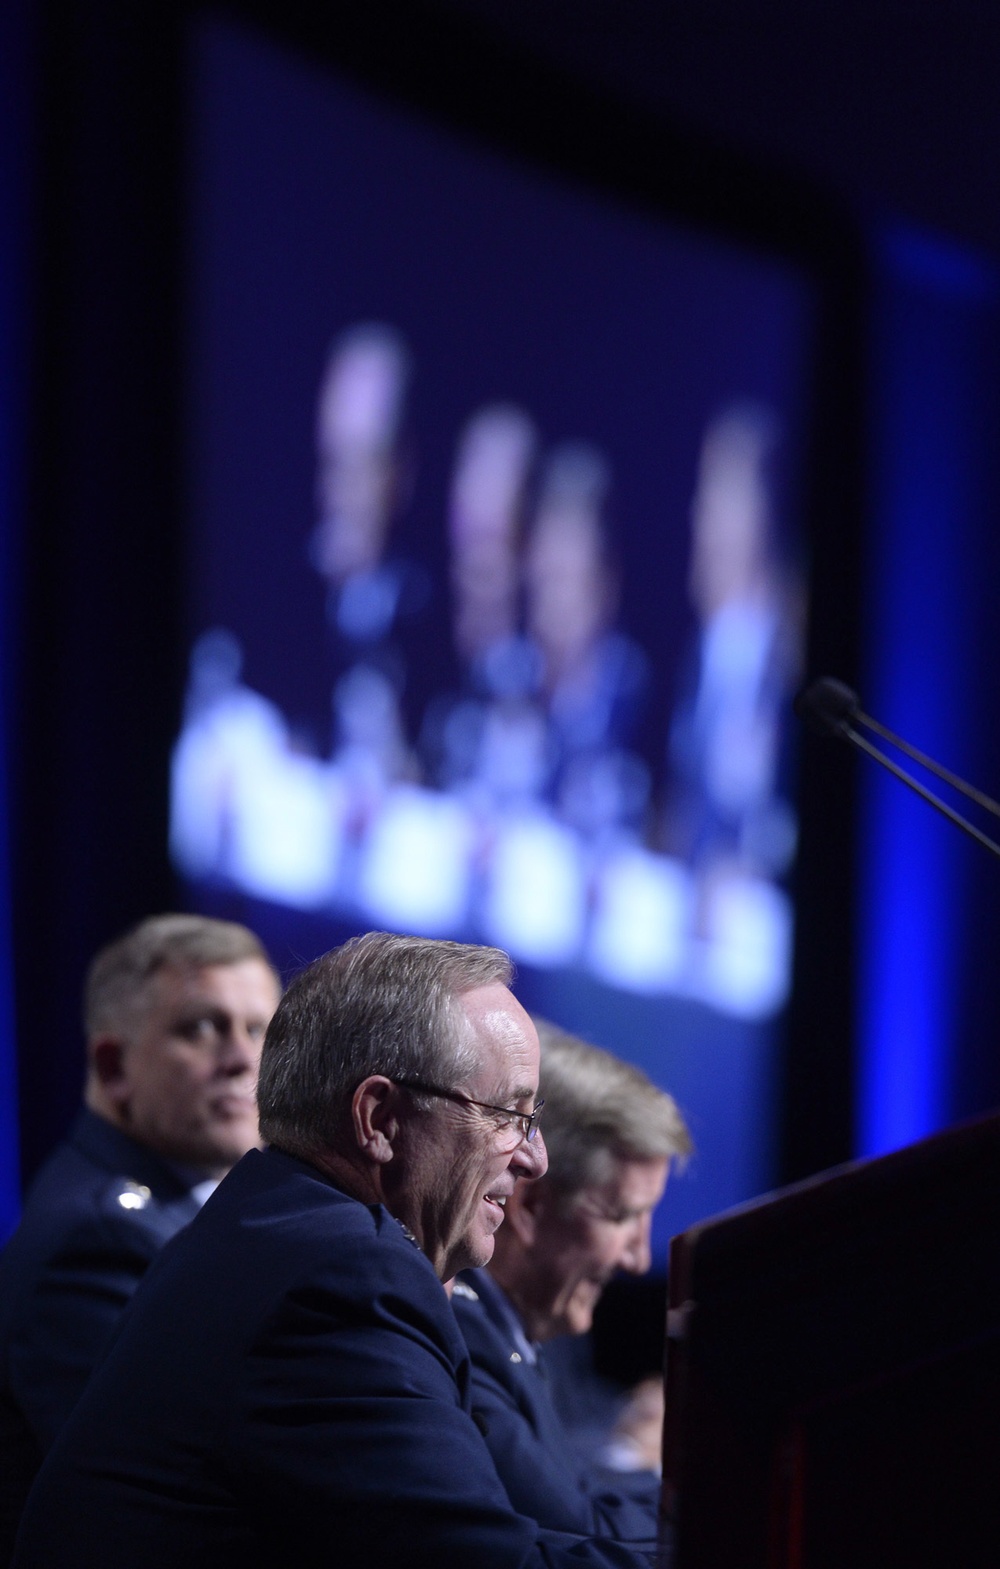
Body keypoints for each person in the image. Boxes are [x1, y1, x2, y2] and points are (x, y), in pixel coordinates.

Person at [12, 933, 655, 1569]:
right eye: (506, 1115)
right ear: (378, 1120)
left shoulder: (273, 1227)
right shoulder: (340, 1280)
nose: (535, 1159)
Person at [0, 914, 281, 1562]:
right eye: (201, 1028)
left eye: (260, 1028)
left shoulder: (194, 1212)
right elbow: (158, 1512)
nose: (243, 1057)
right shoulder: (98, 1243)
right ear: (114, 1064)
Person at [452, 1018, 691, 1538]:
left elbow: (572, 1470)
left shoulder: (533, 1331)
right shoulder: (461, 1340)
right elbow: (578, 1532)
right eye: (620, 1216)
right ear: (531, 1204)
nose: (637, 1259)